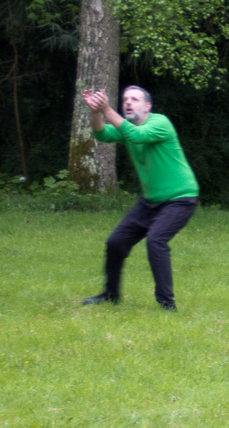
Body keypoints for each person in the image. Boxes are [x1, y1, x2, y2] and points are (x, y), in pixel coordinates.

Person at [80, 86, 199, 311]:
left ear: (147, 106)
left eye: (134, 99)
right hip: (150, 201)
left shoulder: (160, 123)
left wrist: (107, 109)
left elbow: (138, 136)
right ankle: (110, 295)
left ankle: (167, 304)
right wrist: (96, 112)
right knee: (115, 243)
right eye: (125, 99)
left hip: (180, 198)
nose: (128, 102)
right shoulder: (127, 127)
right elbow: (101, 133)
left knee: (155, 240)